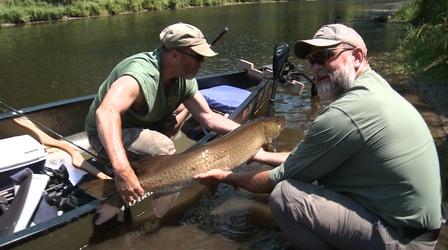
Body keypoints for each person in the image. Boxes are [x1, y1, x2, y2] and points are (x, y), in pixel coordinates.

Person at [195, 23, 442, 249]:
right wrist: (261, 155)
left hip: (403, 241)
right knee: (309, 176)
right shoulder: (375, 88)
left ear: (357, 56)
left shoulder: (344, 114)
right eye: (312, 60)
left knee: (285, 196)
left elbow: (275, 180)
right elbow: (303, 159)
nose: (315, 68)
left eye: (324, 57)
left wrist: (226, 176)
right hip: (419, 229)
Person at [85, 22, 256, 204]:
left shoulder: (183, 77)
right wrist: (122, 169)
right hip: (105, 135)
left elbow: (208, 117)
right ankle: (151, 186)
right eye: (198, 58)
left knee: (182, 109)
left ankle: (146, 167)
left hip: (143, 126)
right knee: (163, 146)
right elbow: (106, 112)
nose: (202, 63)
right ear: (174, 54)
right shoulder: (139, 74)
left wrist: (248, 132)